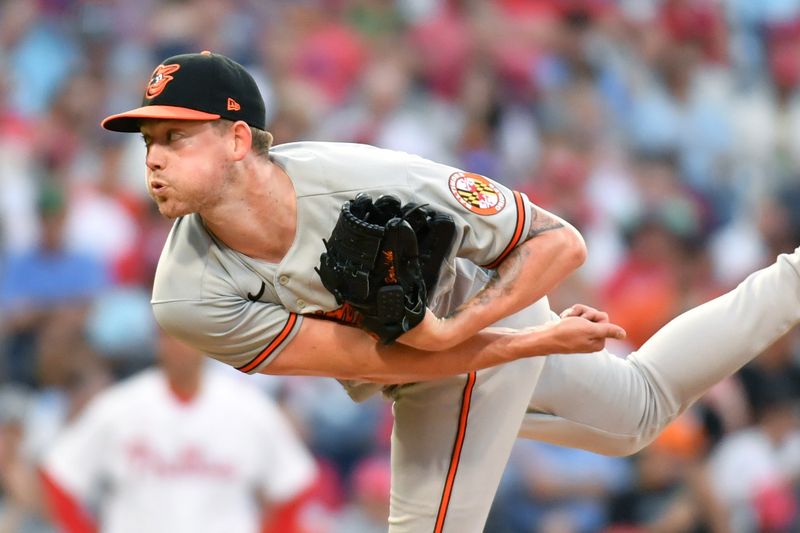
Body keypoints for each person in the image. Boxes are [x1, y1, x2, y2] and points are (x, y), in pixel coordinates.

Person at [99, 51, 800, 533]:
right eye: (147, 142)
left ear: (238, 140)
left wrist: (484, 327)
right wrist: (525, 341)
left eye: (176, 136)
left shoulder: (358, 178)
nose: (153, 156)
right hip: (420, 360)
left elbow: (559, 241)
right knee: (636, 413)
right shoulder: (186, 296)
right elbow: (384, 361)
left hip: (480, 309)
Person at [40, 329, 317, 533]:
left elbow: (295, 483)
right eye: (170, 336)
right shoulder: (120, 406)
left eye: (190, 337)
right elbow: (59, 475)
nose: (180, 347)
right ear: (157, 342)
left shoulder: (247, 407)